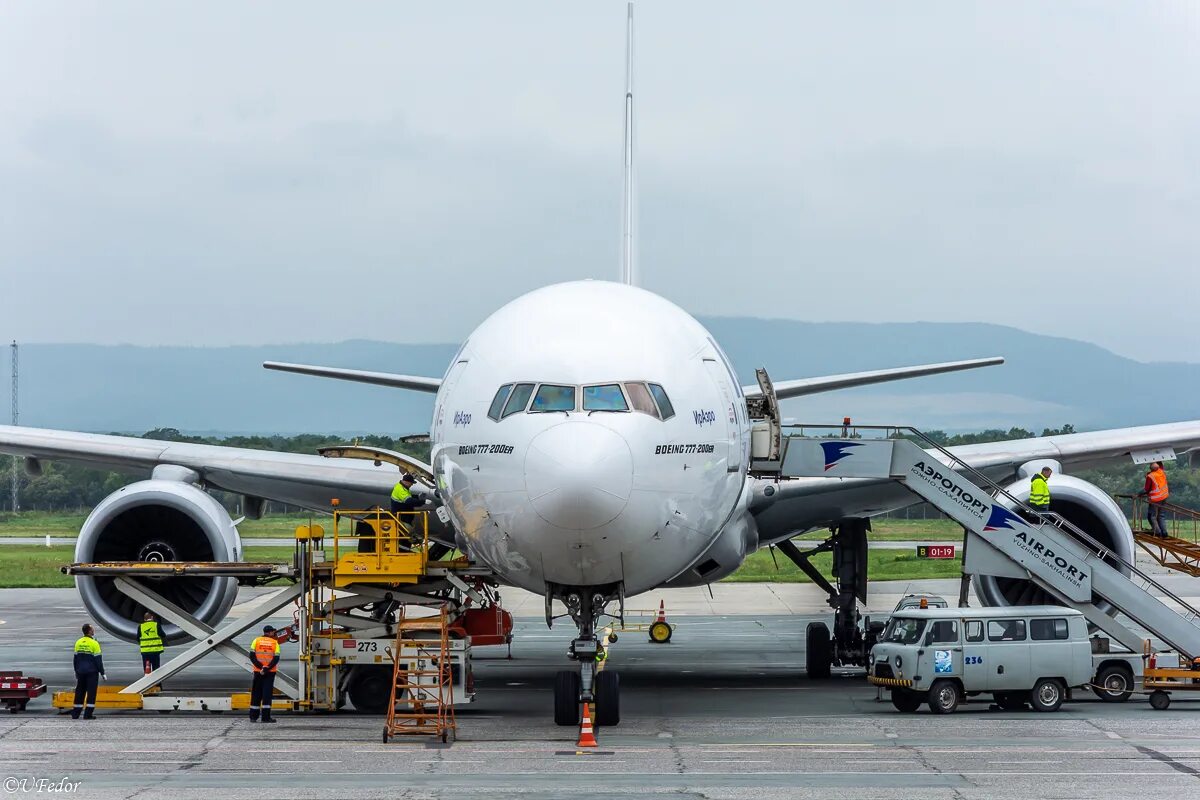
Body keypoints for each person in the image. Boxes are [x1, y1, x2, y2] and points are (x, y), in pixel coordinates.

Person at [71, 624, 106, 720]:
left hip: (80, 672)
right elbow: (98, 660)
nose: (94, 630)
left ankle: (75, 714)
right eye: (92, 629)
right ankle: (88, 714)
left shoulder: (78, 642)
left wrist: (76, 671)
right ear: (90, 631)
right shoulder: (94, 643)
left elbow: (75, 659)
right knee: (91, 693)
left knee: (79, 692)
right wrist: (102, 673)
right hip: (91, 672)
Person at [248, 625, 281, 723]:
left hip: (258, 672)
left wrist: (260, 667)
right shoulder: (275, 643)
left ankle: (253, 717)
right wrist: (267, 668)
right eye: (273, 632)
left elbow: (252, 656)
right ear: (270, 632)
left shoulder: (256, 641)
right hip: (270, 672)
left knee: (256, 693)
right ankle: (265, 717)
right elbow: (276, 658)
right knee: (267, 694)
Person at [1140, 461, 1170, 538]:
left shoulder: (1150, 476)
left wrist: (1138, 494)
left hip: (1156, 499)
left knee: (1151, 516)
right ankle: (1164, 532)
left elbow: (1146, 489)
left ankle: (1157, 532)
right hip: (1164, 497)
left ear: (1151, 469)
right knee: (1161, 515)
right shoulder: (1161, 472)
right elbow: (1161, 465)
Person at [139, 612, 165, 684]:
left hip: (145, 652)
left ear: (144, 619)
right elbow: (163, 635)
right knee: (156, 669)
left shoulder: (141, 626)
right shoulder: (156, 625)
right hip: (155, 652)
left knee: (147, 668)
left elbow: (138, 638)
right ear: (152, 618)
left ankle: (146, 684)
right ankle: (157, 685)